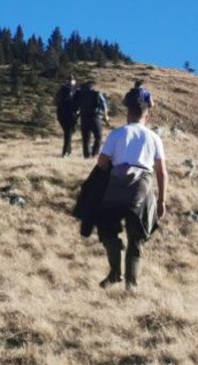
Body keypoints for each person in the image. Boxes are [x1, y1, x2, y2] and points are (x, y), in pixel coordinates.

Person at [95, 87, 167, 291]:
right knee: (136, 239)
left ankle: (114, 272)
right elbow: (162, 172)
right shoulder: (154, 138)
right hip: (141, 189)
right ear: (147, 114)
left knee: (109, 232)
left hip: (115, 186)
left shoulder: (117, 134)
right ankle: (131, 285)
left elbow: (101, 163)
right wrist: (161, 201)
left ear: (128, 112)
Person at [75, 80, 110, 158]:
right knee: (98, 136)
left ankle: (86, 155)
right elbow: (104, 105)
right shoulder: (96, 93)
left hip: (83, 117)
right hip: (95, 117)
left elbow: (76, 106)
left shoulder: (80, 94)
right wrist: (106, 116)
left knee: (86, 138)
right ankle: (95, 153)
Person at [54, 74, 78, 157]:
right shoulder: (71, 90)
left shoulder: (64, 89)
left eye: (71, 79)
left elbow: (56, 101)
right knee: (68, 132)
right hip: (68, 114)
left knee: (69, 133)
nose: (71, 81)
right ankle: (65, 152)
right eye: (69, 80)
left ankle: (68, 151)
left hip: (64, 113)